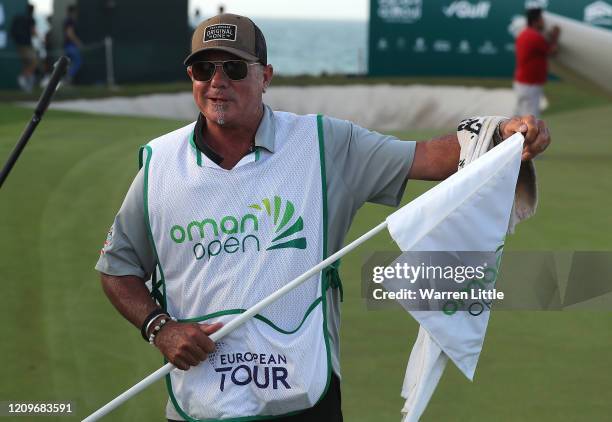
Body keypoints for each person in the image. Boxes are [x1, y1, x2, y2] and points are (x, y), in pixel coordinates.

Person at [95, 13, 551, 422]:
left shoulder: (322, 143)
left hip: (304, 398)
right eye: (202, 69)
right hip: (200, 404)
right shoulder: (160, 164)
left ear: (265, 76)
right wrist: (160, 328)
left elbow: (427, 158)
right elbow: (118, 268)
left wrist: (503, 135)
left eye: (233, 68)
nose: (217, 82)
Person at [514, 8, 561, 117]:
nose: (543, 22)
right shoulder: (534, 36)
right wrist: (555, 37)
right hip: (530, 84)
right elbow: (553, 51)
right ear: (536, 21)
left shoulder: (526, 34)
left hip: (524, 83)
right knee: (531, 119)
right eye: (542, 19)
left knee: (523, 117)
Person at [10, 4, 37, 92]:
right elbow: (33, 32)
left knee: (27, 64)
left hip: (19, 45)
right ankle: (23, 79)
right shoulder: (30, 19)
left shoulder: (20, 18)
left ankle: (26, 84)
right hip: (27, 45)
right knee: (33, 63)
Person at [63, 5, 82, 83]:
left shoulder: (67, 20)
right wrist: (78, 42)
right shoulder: (70, 21)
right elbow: (69, 33)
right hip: (70, 45)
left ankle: (67, 79)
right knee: (77, 61)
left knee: (70, 63)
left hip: (69, 45)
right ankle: (67, 78)